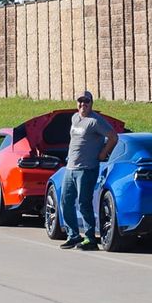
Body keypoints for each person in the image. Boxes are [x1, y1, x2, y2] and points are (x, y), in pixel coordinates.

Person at [60, 90, 118, 251]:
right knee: (65, 202)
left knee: (83, 203)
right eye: (80, 101)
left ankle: (90, 238)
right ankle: (73, 236)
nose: (83, 104)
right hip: (70, 167)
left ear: (91, 103)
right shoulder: (75, 118)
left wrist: (102, 154)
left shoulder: (95, 121)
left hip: (87, 169)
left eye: (86, 102)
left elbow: (113, 137)